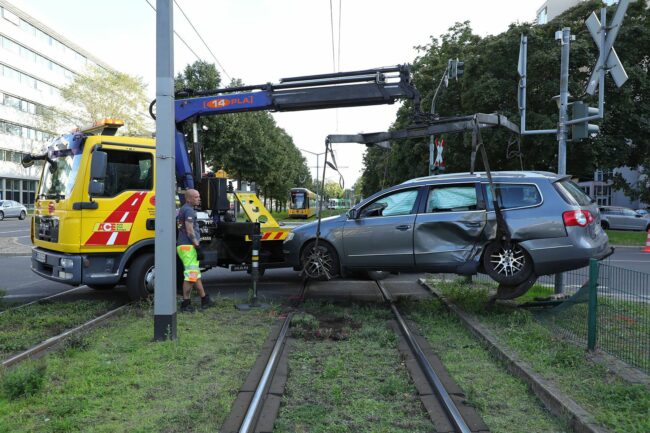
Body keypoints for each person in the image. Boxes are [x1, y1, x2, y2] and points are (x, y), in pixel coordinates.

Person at [177, 189, 213, 312]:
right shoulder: (189, 211)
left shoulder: (185, 209)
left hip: (186, 246)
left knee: (195, 274)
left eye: (198, 196)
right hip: (188, 246)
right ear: (189, 199)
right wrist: (197, 245)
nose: (199, 198)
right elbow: (189, 230)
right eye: (196, 197)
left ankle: (204, 299)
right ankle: (185, 303)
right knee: (191, 275)